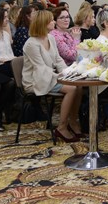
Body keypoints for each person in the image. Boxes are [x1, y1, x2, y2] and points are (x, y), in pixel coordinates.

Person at [22, 10, 84, 142]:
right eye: (51, 20)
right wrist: (59, 76)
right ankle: (62, 127)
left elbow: (58, 60)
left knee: (78, 85)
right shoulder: (31, 44)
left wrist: (67, 73)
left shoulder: (50, 38)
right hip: (36, 80)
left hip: (49, 76)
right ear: (43, 23)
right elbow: (40, 68)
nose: (54, 22)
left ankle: (72, 120)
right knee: (71, 88)